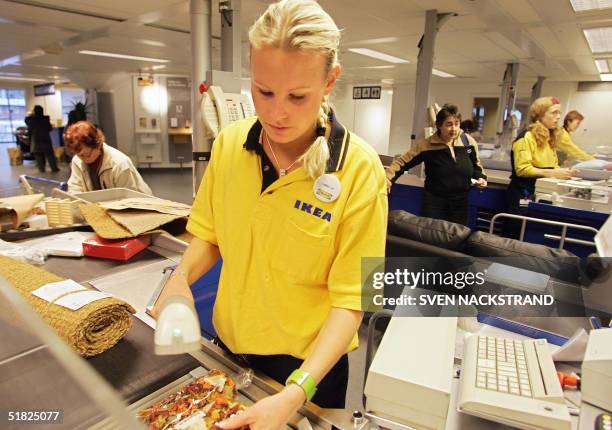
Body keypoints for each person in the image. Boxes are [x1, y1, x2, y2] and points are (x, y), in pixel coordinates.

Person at [152, 1, 387, 428]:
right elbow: (209, 235)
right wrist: (179, 279)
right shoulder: (228, 145)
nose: (277, 113)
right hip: (227, 346)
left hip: (309, 370)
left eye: (298, 96)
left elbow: (353, 301)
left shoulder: (360, 170)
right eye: (264, 91)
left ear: (329, 81)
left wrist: (296, 392)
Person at [386, 104, 487, 226]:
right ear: (439, 126)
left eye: (456, 123)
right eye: (449, 124)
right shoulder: (426, 145)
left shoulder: (468, 142)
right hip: (435, 203)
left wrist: (481, 178)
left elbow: (476, 165)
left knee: (457, 238)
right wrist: (387, 178)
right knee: (432, 238)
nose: (454, 129)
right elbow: (402, 162)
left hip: (460, 202)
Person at [505, 97, 580, 237]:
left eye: (559, 113)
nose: (558, 117)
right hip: (523, 194)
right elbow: (523, 169)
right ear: (540, 114)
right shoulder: (526, 138)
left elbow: (553, 165)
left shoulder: (548, 138)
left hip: (539, 194)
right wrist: (554, 174)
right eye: (554, 112)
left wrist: (564, 173)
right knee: (515, 236)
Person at [64, 121, 152, 194]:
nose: (83, 158)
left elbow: (130, 199)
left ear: (98, 145)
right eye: (79, 155)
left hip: (139, 207)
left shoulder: (120, 164)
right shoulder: (77, 160)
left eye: (86, 154)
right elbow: (75, 188)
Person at [25, 105, 59, 173]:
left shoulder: (31, 120)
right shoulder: (45, 119)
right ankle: (54, 168)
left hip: (36, 139)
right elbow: (50, 128)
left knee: (38, 155)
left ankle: (41, 169)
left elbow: (29, 129)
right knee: (50, 155)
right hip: (45, 139)